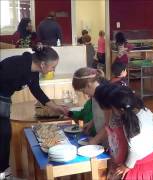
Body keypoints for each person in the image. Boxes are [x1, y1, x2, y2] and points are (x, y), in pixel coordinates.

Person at [0, 44, 67, 179]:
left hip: (4, 99)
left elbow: (36, 90)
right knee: (4, 133)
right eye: (53, 67)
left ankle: (4, 173)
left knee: (5, 134)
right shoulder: (16, 65)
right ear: (43, 64)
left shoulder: (33, 71)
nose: (53, 70)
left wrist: (54, 107)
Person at [94, 84, 153, 179]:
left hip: (139, 165)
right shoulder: (146, 110)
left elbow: (134, 151)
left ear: (120, 110)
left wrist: (126, 166)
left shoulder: (128, 123)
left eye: (113, 109)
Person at [71, 67, 108, 145]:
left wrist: (95, 140)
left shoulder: (106, 95)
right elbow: (99, 114)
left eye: (83, 91)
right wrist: (91, 123)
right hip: (103, 138)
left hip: (111, 139)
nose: (85, 94)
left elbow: (110, 123)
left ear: (89, 85)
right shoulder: (95, 94)